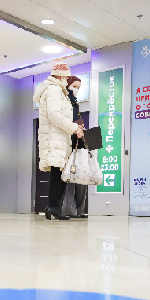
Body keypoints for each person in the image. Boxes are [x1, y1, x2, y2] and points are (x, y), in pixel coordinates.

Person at [33, 62, 84, 220]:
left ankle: (53, 207)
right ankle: (54, 207)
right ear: (61, 76)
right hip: (55, 138)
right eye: (67, 76)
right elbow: (54, 115)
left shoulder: (58, 91)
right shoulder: (54, 90)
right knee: (58, 175)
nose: (68, 78)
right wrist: (73, 128)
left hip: (59, 137)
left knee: (59, 175)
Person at [63, 75, 89, 219]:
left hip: (79, 145)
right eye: (75, 86)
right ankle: (69, 209)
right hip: (68, 144)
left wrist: (81, 127)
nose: (77, 90)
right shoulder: (64, 101)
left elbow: (77, 121)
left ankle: (80, 209)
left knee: (81, 177)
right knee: (70, 178)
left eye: (79, 87)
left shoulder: (75, 104)